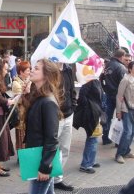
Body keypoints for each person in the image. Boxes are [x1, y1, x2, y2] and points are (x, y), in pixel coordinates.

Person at [22, 59, 62, 194]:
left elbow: (52, 137)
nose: (32, 70)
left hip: (42, 158)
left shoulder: (48, 101)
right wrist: (26, 95)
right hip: (36, 155)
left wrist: (45, 166)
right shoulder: (39, 96)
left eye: (37, 68)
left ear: (46, 74)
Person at [54, 63, 77, 191]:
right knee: (53, 148)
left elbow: (72, 89)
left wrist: (73, 105)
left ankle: (57, 178)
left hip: (68, 114)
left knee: (65, 148)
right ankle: (50, 176)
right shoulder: (50, 69)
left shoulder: (68, 69)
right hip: (56, 115)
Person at [73, 79, 103, 174]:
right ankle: (85, 164)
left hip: (96, 112)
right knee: (92, 138)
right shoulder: (89, 80)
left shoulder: (97, 80)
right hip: (90, 114)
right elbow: (82, 96)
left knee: (94, 137)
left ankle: (90, 161)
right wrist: (90, 107)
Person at [115, 61, 134, 164]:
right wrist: (118, 111)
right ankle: (119, 154)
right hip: (126, 109)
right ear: (130, 69)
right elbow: (119, 96)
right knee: (127, 132)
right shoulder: (125, 79)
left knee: (132, 133)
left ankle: (126, 152)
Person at [100, 49, 127, 145]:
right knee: (120, 118)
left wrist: (105, 88)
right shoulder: (121, 67)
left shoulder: (107, 65)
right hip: (118, 96)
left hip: (109, 94)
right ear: (122, 56)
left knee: (107, 116)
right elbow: (124, 83)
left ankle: (106, 137)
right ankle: (117, 140)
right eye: (124, 57)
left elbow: (101, 78)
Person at [12, 61, 31, 151]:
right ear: (21, 72)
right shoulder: (16, 83)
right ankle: (21, 157)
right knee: (21, 136)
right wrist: (26, 91)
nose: (30, 71)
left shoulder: (27, 81)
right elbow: (18, 100)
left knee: (28, 135)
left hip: (28, 113)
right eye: (28, 70)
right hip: (21, 115)